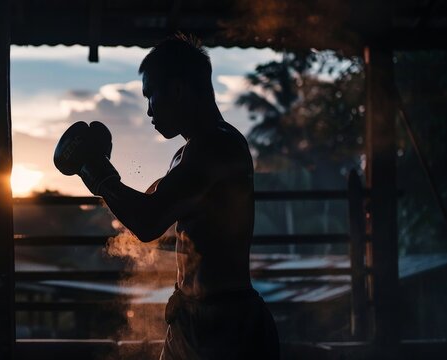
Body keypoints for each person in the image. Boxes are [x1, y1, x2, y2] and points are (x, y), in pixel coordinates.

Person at [53, 34, 280, 360]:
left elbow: (148, 222)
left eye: (150, 97)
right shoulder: (188, 154)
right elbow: (145, 208)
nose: (148, 111)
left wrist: (97, 172)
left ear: (177, 90)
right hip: (194, 316)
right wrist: (101, 171)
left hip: (225, 325)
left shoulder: (216, 147)